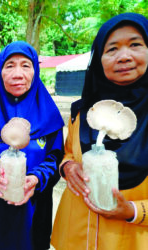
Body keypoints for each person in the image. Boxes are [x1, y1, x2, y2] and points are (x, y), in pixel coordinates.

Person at [51, 13, 148, 249]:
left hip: (129, 239)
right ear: (98, 60)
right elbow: (69, 153)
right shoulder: (83, 113)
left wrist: (133, 210)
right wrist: (68, 167)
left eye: (135, 44)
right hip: (75, 235)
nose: (124, 57)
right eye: (112, 49)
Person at [0, 41, 64, 250]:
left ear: (35, 70)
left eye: (25, 65)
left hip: (35, 212)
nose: (17, 73)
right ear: (0, 71)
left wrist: (36, 178)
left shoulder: (49, 114)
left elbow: (56, 157)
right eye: (9, 66)